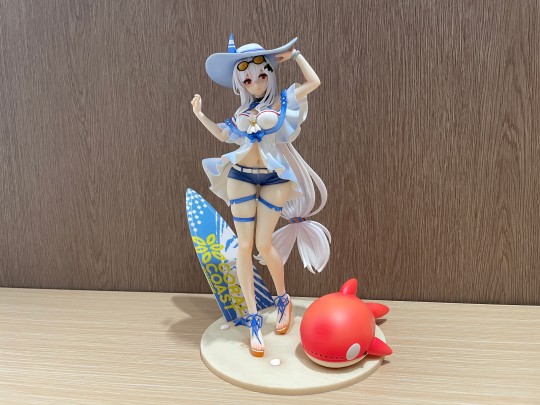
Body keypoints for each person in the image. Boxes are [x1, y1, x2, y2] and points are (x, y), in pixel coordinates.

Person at [191, 35, 330, 357]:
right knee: (244, 245)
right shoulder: (243, 111)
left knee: (263, 244)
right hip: (241, 175)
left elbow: (314, 82)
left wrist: (296, 55)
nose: (254, 83)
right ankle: (254, 317)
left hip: (274, 177)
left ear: (270, 73)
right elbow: (224, 135)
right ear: (239, 84)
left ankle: (283, 299)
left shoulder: (284, 99)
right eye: (247, 80)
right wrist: (200, 116)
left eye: (261, 75)